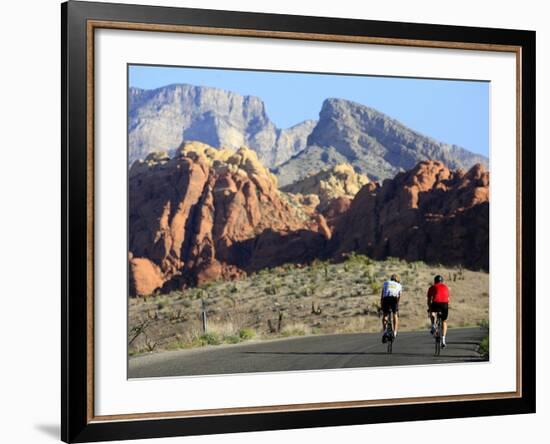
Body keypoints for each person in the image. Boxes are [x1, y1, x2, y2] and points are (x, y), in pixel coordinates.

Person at [427, 275, 450, 348]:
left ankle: (433, 325)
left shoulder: (432, 287)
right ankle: (443, 340)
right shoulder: (446, 287)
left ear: (435, 281)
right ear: (442, 281)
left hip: (436, 303)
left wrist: (430, 309)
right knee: (444, 321)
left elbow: (429, 300)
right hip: (445, 305)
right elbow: (448, 299)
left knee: (432, 311)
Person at [380, 274, 402, 343]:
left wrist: (381, 304)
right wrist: (397, 306)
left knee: (385, 315)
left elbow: (382, 295)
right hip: (394, 298)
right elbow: (399, 296)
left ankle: (385, 332)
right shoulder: (399, 285)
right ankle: (395, 333)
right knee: (395, 314)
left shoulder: (386, 283)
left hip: (386, 298)